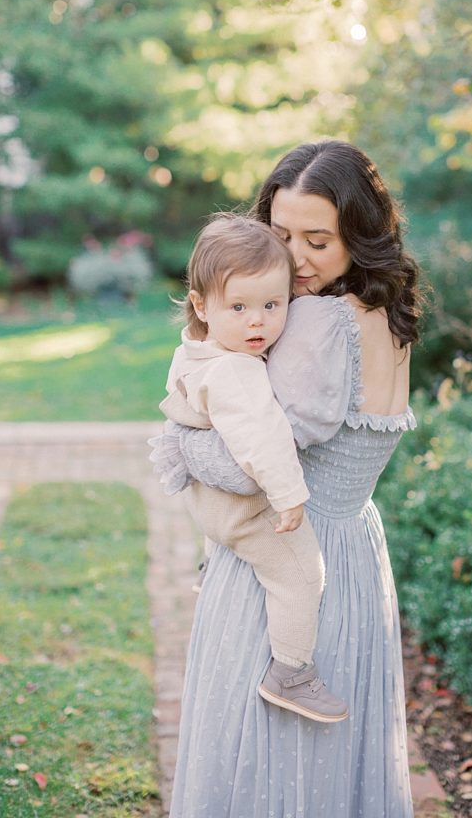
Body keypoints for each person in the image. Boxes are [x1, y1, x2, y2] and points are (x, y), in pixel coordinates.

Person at [164, 141, 422, 818]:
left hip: (282, 563)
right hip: (355, 558)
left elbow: (245, 465)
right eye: (279, 235)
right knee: (330, 767)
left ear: (359, 239)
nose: (295, 259)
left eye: (317, 240)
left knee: (265, 756)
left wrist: (180, 440)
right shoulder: (388, 318)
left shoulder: (313, 320)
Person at [150, 213, 348, 723]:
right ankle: (292, 672)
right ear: (201, 304)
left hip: (207, 511)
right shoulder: (237, 370)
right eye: (238, 307)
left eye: (272, 305)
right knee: (302, 573)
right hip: (243, 511)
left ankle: (209, 564)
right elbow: (264, 438)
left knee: (245, 549)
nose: (257, 321)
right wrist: (289, 496)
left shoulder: (197, 350)